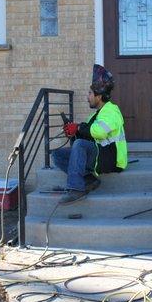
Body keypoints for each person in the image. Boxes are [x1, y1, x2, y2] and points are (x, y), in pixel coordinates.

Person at [51, 64, 128, 204]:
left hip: (111, 158)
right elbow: (87, 134)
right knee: (57, 155)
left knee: (80, 145)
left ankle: (76, 189)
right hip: (100, 154)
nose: (87, 97)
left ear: (98, 96)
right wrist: (73, 132)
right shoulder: (96, 115)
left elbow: (99, 132)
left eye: (90, 93)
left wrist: (78, 128)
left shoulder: (111, 111)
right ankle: (88, 180)